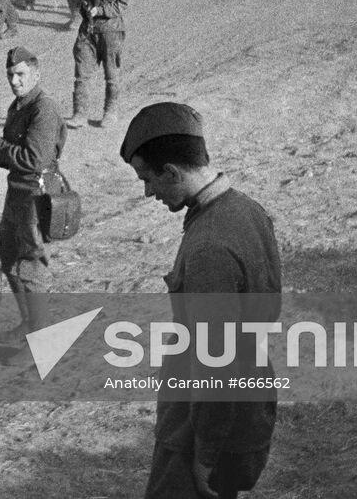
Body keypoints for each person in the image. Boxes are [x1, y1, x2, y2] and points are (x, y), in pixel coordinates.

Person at [118, 102, 282, 499]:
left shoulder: (210, 245)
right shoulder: (246, 210)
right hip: (245, 414)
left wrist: (205, 455)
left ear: (172, 172)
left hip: (202, 431)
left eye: (148, 179)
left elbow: (216, 362)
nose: (148, 191)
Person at [0, 47, 66, 342]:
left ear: (36, 74)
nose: (14, 81)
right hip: (17, 192)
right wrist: (1, 156)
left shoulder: (44, 108)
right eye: (10, 75)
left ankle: (41, 333)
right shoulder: (18, 106)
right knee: (9, 258)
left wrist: (0, 149)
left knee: (30, 264)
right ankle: (30, 323)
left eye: (20, 75)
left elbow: (35, 159)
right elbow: (15, 153)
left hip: (36, 194)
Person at [72, 0, 131, 128]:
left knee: (111, 73)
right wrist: (85, 6)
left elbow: (123, 3)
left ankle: (110, 112)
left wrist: (101, 10)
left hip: (111, 31)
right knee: (81, 72)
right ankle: (80, 114)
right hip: (88, 30)